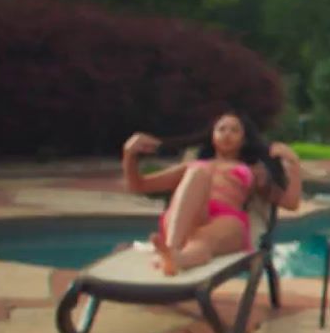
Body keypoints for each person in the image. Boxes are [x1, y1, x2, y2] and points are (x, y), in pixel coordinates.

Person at [121, 112, 301, 275]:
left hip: (227, 220)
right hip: (187, 220)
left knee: (203, 241)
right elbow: (139, 185)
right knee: (199, 172)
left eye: (234, 130)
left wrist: (293, 163)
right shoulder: (193, 166)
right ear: (213, 136)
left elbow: (291, 203)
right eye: (221, 129)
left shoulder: (252, 171)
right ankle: (172, 249)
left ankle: (175, 259)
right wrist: (129, 154)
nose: (227, 134)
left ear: (244, 139)